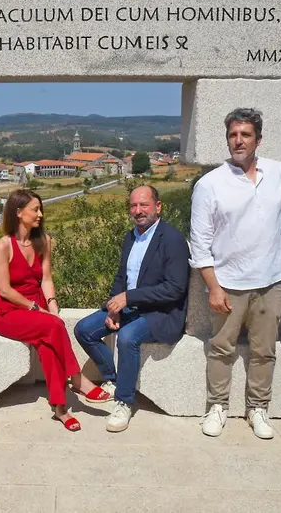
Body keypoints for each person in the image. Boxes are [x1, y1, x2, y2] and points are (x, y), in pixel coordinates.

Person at [189, 108, 281, 439]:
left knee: (264, 349)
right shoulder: (210, 185)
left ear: (258, 140)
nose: (238, 140)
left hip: (273, 281)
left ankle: (257, 408)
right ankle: (217, 406)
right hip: (229, 283)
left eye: (245, 134)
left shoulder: (278, 174)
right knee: (222, 347)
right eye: (233, 135)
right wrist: (214, 288)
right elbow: (199, 244)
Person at [0, 189, 112, 432]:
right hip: (9, 312)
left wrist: (53, 308)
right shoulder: (4, 245)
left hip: (37, 309)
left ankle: (60, 409)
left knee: (49, 344)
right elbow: (5, 290)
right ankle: (78, 380)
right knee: (52, 327)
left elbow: (46, 279)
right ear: (18, 212)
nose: (40, 214)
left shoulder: (43, 241)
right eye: (34, 209)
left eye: (40, 209)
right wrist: (37, 308)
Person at [74, 185, 189, 433]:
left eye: (144, 205)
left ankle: (124, 401)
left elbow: (175, 289)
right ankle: (114, 379)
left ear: (158, 207)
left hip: (162, 313)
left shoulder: (172, 240)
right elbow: (121, 278)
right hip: (131, 307)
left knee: (127, 337)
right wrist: (113, 306)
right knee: (83, 329)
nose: (138, 211)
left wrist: (129, 297)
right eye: (133, 206)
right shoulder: (130, 237)